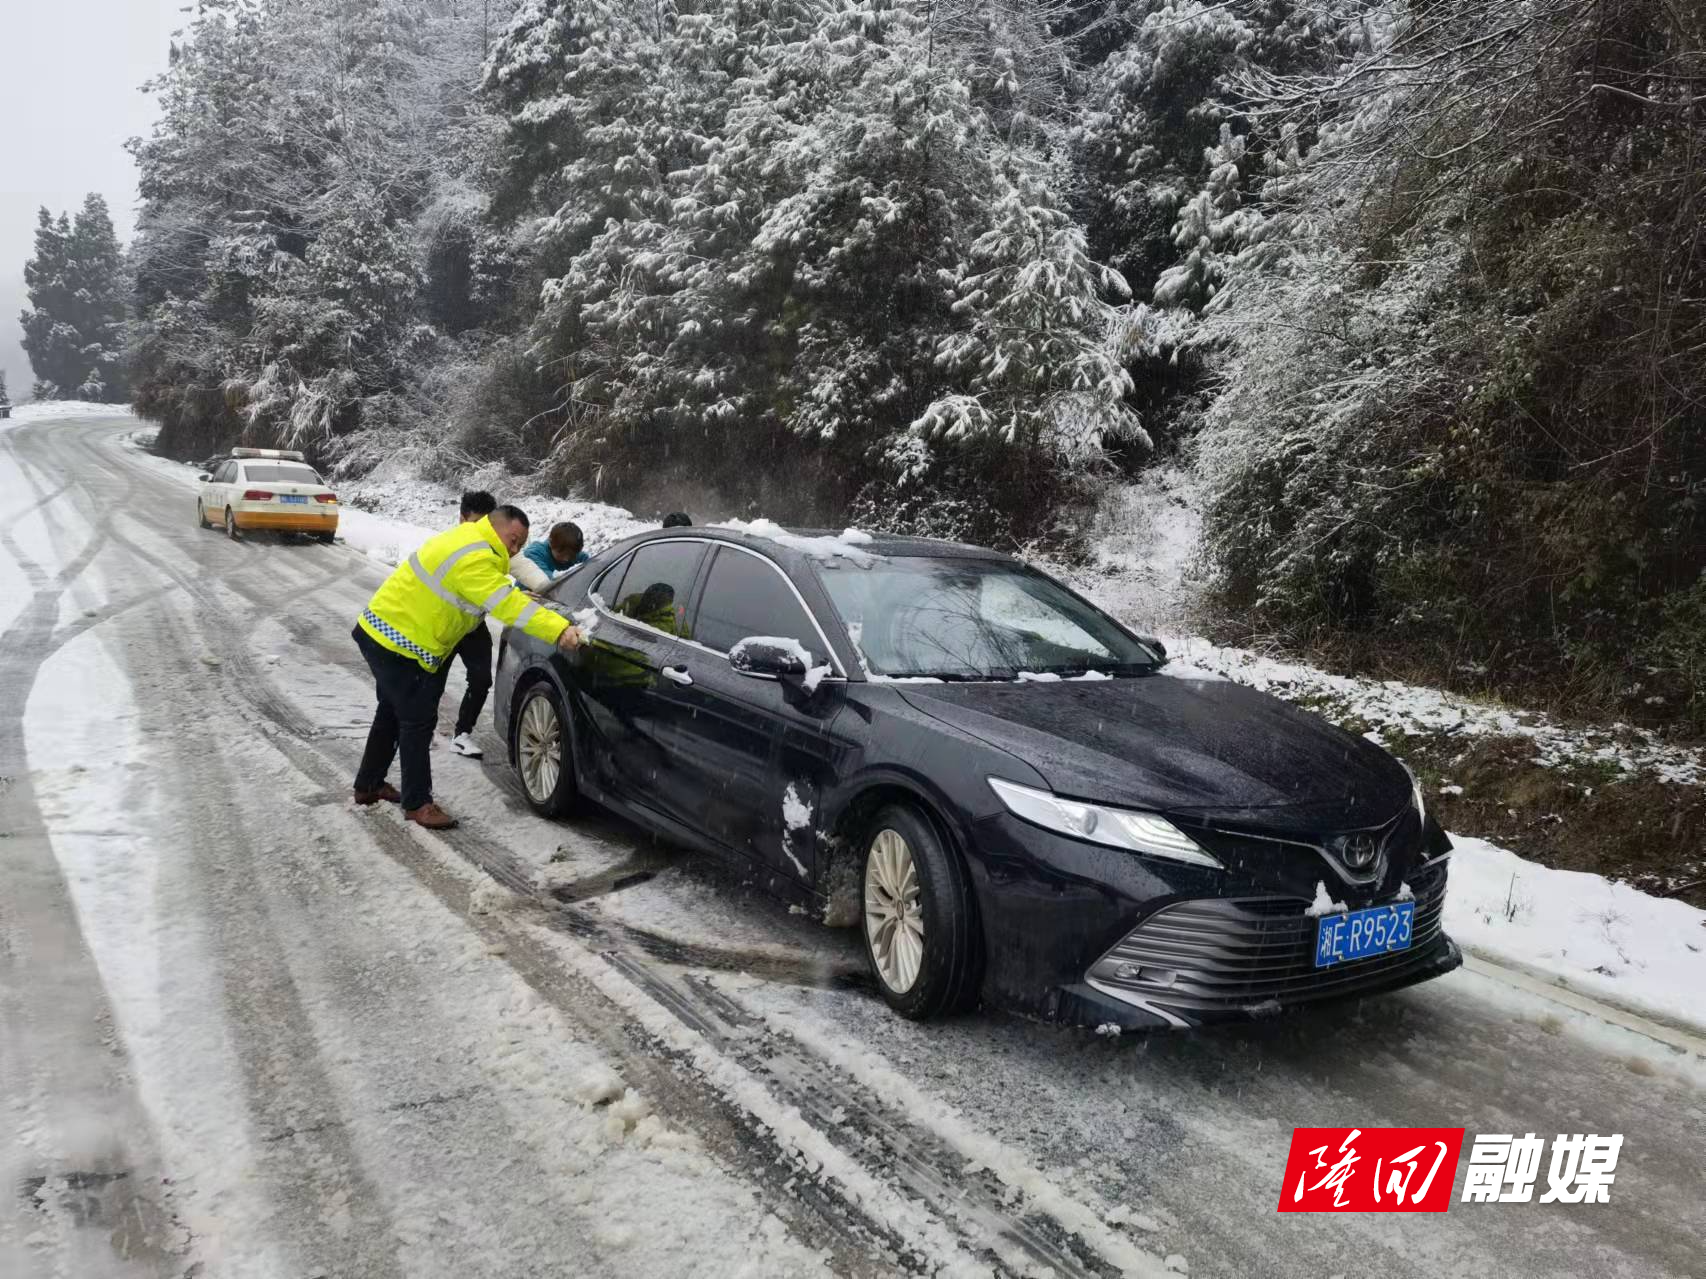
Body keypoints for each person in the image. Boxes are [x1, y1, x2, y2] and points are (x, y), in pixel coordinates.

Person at [352, 503, 583, 829]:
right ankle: (417, 803)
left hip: (382, 632)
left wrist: (534, 592)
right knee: (417, 719)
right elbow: (505, 604)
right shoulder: (475, 557)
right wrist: (558, 628)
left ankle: (369, 785)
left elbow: (503, 581)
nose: (515, 548)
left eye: (521, 542)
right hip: (398, 642)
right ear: (496, 527)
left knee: (391, 712)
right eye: (513, 539)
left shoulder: (471, 538)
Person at [446, 490, 498, 759]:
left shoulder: (494, 546)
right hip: (443, 626)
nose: (480, 530)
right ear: (462, 518)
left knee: (481, 679)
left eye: (486, 524)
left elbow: (520, 565)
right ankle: (417, 729)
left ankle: (462, 734)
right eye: (475, 523)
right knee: (430, 682)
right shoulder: (448, 545)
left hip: (473, 626)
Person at [520, 521, 589, 579]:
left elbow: (590, 562)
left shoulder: (571, 550)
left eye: (571, 556)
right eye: (562, 554)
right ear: (550, 542)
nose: (566, 559)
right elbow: (548, 584)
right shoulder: (534, 554)